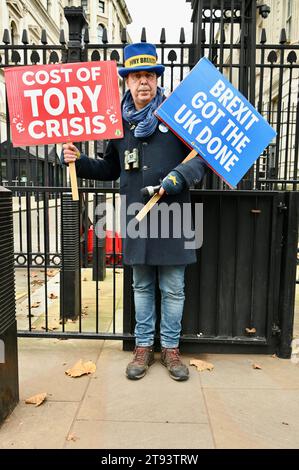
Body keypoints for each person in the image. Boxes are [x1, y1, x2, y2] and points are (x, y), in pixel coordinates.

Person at [62, 42, 206, 381]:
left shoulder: (177, 114)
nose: (144, 82)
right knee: (141, 286)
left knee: (173, 287)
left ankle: (170, 350)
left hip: (173, 214)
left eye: (150, 76)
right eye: (137, 76)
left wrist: (175, 180)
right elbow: (110, 169)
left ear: (157, 79)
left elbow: (201, 159)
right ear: (127, 82)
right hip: (138, 215)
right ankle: (143, 347)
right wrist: (77, 161)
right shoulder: (118, 123)